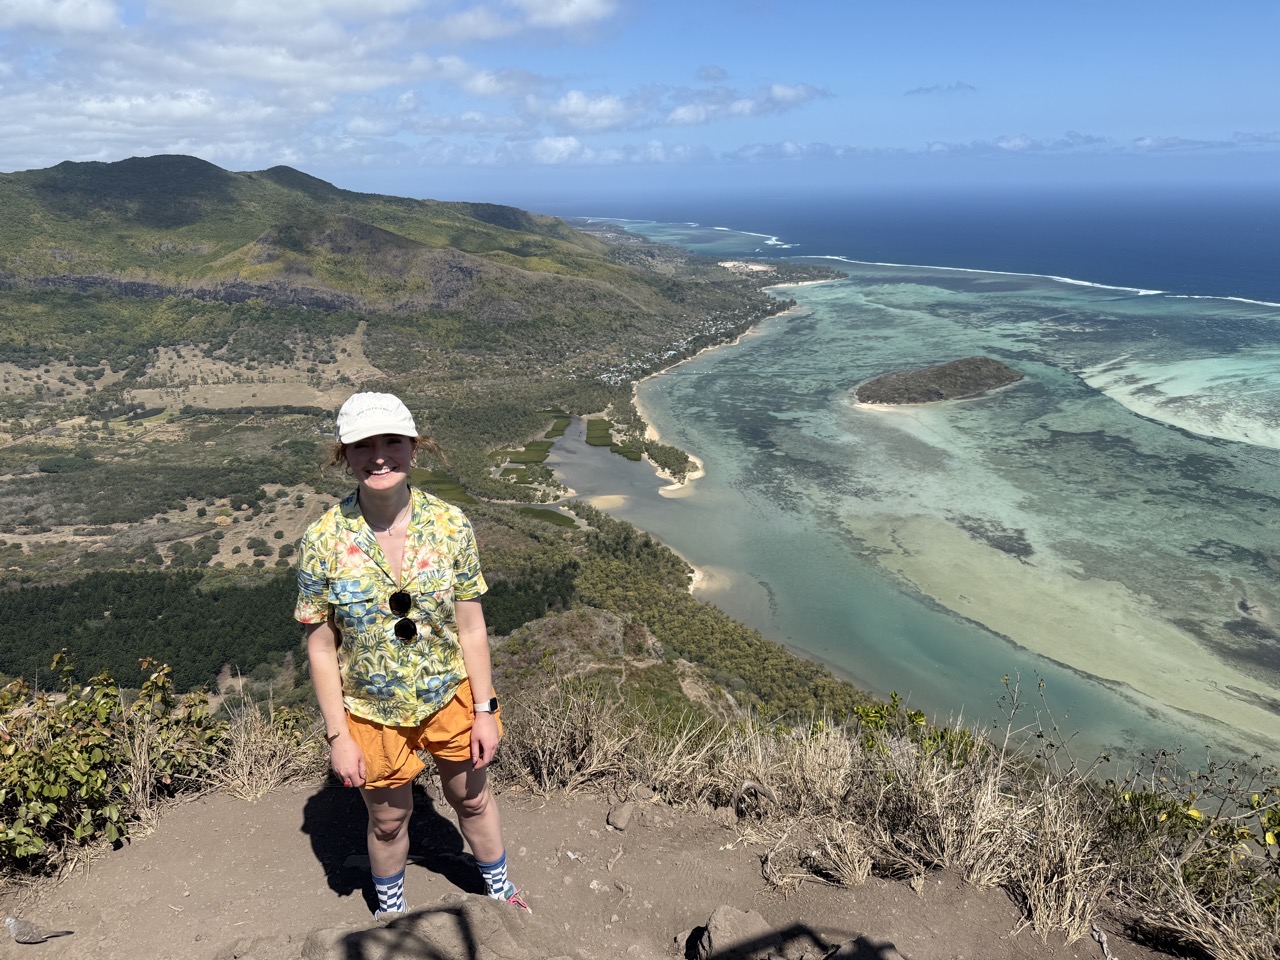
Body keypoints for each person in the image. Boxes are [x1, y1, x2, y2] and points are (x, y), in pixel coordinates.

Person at [294, 391, 528, 920]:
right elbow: (321, 645)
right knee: (387, 820)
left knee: (471, 799)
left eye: (392, 442)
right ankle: (391, 912)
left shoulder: (451, 526)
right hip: (370, 712)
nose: (380, 456)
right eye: (364, 445)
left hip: (450, 695)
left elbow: (471, 627)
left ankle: (499, 890)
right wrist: (338, 735)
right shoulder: (323, 540)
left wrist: (485, 710)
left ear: (413, 448)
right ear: (344, 456)